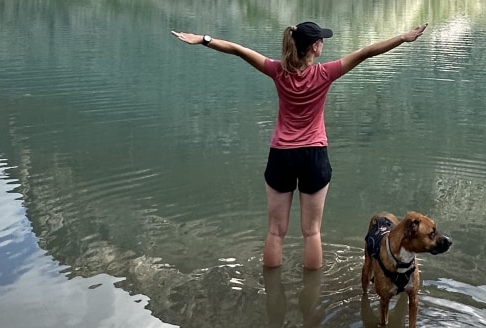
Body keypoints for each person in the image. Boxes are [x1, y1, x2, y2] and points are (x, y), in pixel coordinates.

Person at [171, 19, 427, 270]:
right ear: (314, 47)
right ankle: (311, 298)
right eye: (321, 41)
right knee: (312, 232)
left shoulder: (277, 71)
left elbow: (239, 50)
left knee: (275, 231)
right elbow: (367, 52)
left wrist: (203, 39)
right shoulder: (325, 73)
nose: (323, 43)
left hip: (281, 155)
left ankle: (271, 291)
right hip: (314, 156)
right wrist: (403, 37)